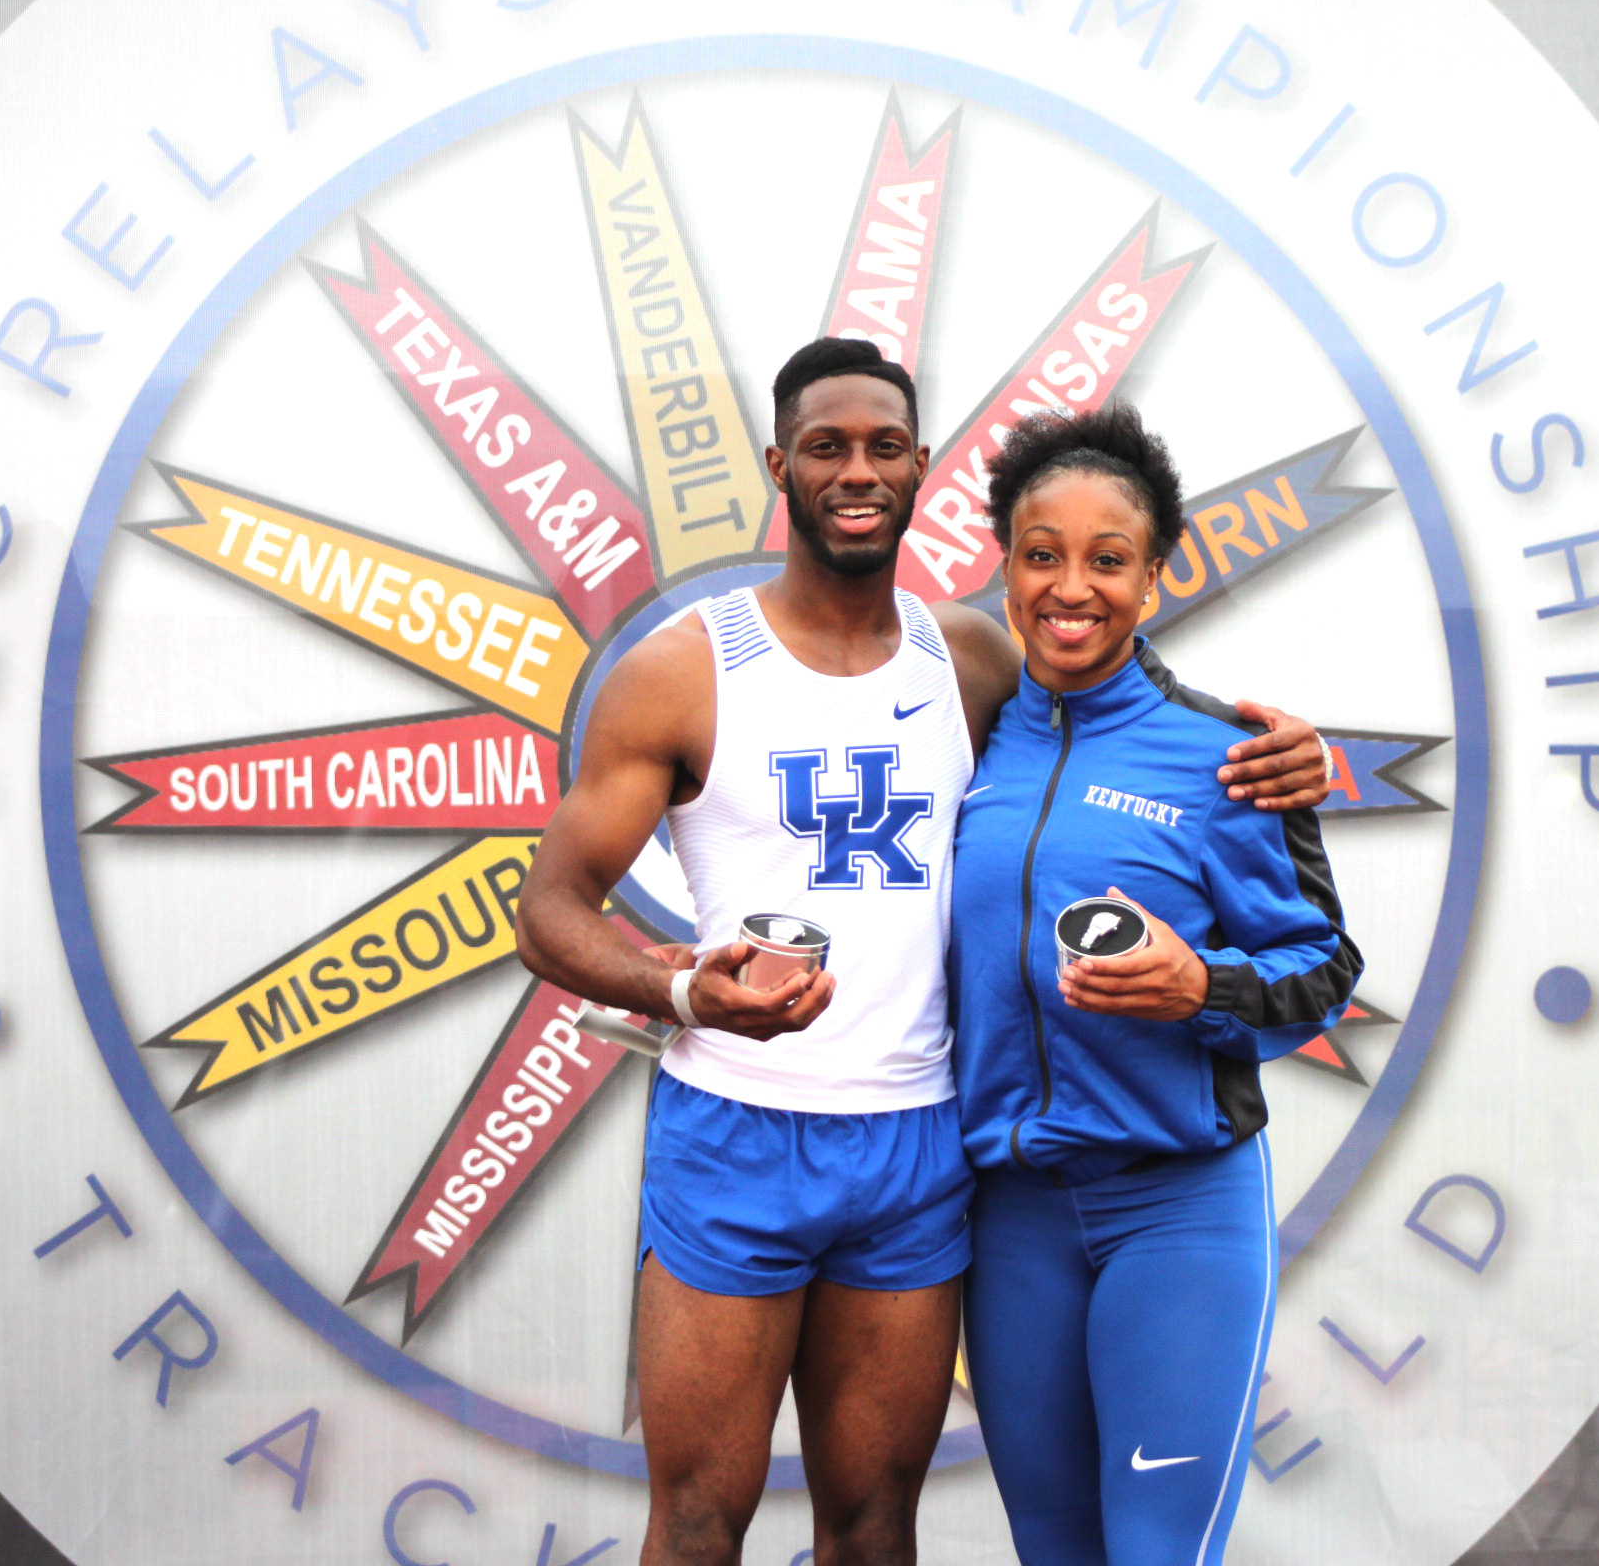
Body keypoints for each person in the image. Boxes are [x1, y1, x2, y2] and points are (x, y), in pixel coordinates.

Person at [513, 338, 1331, 1566]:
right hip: (739, 1123)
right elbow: (550, 908)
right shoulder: (684, 668)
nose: (857, 470)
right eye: (828, 446)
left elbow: (1121, 710)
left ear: (920, 469)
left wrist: (1288, 756)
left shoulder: (974, 659)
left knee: (874, 1521)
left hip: (919, 1137)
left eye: (885, 447)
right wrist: (684, 987)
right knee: (694, 1520)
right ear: (779, 463)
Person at [950, 403, 1362, 1566]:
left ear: (1156, 572)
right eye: (1041, 554)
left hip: (1176, 1208)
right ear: (1006, 563)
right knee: (1057, 1553)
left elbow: (1324, 968)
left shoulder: (1226, 753)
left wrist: (1203, 984)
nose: (1070, 586)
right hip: (1013, 1217)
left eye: (1107, 558)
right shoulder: (966, 741)